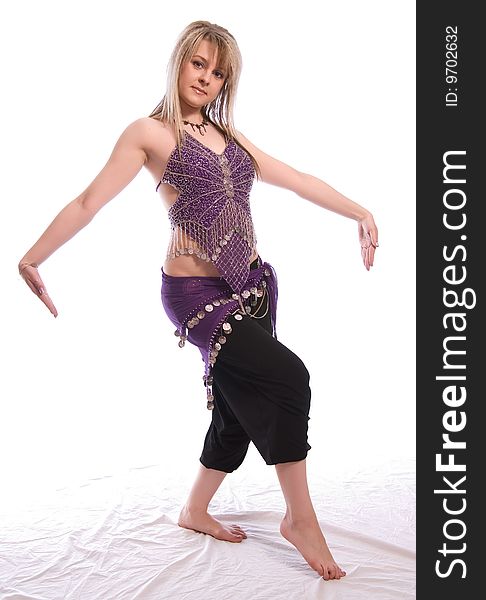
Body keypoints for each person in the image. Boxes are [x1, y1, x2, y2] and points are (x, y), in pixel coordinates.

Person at [18, 20, 378, 581]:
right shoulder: (151, 133)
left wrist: (360, 211)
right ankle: (300, 519)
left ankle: (194, 509)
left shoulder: (230, 138)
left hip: (251, 285)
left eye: (218, 71)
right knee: (288, 378)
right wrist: (32, 257)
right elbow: (89, 201)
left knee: (237, 407)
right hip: (194, 294)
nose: (206, 77)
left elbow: (296, 177)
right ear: (179, 62)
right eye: (198, 64)